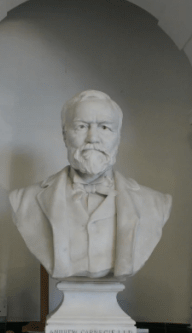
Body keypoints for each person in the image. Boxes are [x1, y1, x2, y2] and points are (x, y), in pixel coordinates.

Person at [9, 90, 172, 279]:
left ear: (118, 137)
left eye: (104, 127)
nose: (92, 138)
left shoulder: (154, 203)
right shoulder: (24, 200)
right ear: (65, 135)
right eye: (81, 126)